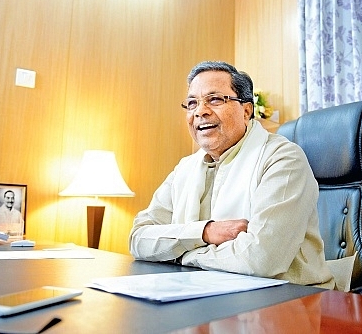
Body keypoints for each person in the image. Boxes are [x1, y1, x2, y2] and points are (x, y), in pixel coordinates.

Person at [129, 61, 335, 288]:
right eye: (191, 103)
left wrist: (180, 254)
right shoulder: (185, 169)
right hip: (206, 294)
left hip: (290, 301)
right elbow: (138, 239)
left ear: (246, 111)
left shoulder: (283, 158)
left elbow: (260, 260)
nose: (200, 111)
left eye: (215, 99)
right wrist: (205, 232)